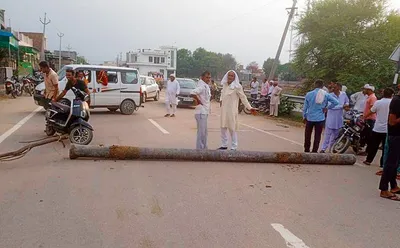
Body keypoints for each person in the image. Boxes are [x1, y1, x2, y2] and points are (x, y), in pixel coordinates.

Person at [219, 70, 254, 150]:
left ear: (234, 77)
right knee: (223, 127)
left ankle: (234, 146)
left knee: (232, 128)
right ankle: (224, 145)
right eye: (229, 75)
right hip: (224, 110)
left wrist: (249, 107)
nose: (230, 77)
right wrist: (221, 100)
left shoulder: (237, 87)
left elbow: (243, 97)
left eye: (232, 76)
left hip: (232, 111)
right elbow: (222, 93)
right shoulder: (225, 85)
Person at [303, 79, 339, 153]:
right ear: (322, 86)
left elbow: (305, 107)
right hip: (320, 118)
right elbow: (336, 102)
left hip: (310, 117)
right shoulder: (325, 94)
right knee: (317, 135)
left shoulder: (309, 94)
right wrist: (327, 108)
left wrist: (304, 116)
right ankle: (314, 151)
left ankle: (306, 150)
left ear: (314, 85)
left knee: (307, 135)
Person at [378, 89, 400, 201]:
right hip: (395, 136)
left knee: (395, 163)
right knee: (391, 163)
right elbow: (392, 121)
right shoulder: (396, 101)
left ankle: (394, 186)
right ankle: (384, 189)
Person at [363, 88, 394, 166]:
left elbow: (371, 111)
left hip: (377, 128)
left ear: (383, 93)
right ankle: (382, 163)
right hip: (387, 129)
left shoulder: (378, 102)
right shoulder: (393, 103)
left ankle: (368, 160)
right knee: (385, 148)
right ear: (392, 95)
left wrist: (364, 116)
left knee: (373, 145)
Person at [320, 83, 350, 153]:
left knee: (335, 135)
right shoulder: (330, 95)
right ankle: (323, 148)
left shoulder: (343, 94)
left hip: (339, 118)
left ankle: (331, 148)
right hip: (331, 117)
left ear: (339, 88)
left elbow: (347, 101)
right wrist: (342, 106)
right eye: (333, 87)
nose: (334, 88)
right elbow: (331, 106)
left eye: (335, 87)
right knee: (327, 134)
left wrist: (346, 105)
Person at [190, 71, 212, 150]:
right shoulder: (202, 86)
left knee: (204, 133)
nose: (208, 79)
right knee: (201, 133)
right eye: (207, 77)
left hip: (204, 112)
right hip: (201, 112)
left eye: (209, 77)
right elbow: (192, 93)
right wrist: (199, 102)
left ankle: (204, 149)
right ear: (202, 77)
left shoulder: (206, 86)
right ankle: (200, 150)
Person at [359, 84, 377, 153]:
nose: (364, 90)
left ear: (369, 90)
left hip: (370, 119)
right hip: (367, 118)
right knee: (364, 133)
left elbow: (372, 109)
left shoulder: (373, 98)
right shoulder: (369, 97)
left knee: (368, 135)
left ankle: (367, 151)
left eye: (365, 89)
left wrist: (365, 116)